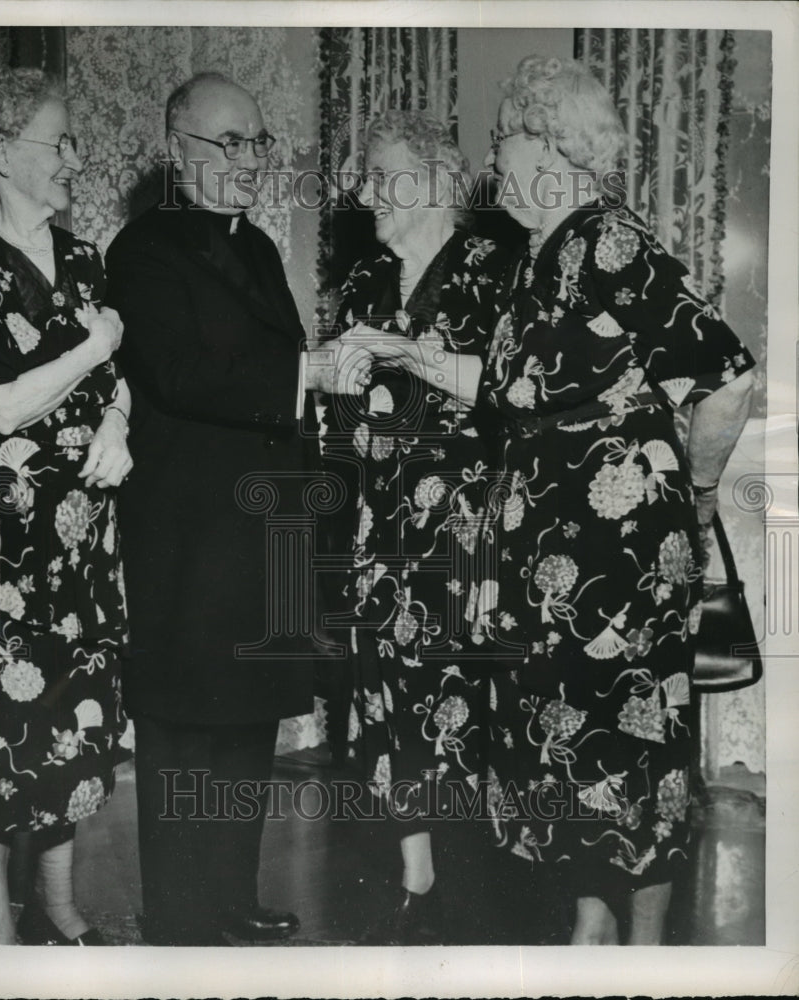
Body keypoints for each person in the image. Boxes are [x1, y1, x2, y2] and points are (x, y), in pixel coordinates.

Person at [345, 55, 756, 944]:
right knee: (573, 747)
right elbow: (503, 390)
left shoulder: (608, 240)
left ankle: (638, 951)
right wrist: (401, 352)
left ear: (552, 144)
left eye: (505, 138)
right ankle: (590, 929)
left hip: (617, 563)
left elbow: (724, 378)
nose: (494, 160)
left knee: (633, 746)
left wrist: (700, 489)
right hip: (547, 573)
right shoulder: (541, 258)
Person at [104, 71, 366, 947]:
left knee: (249, 719)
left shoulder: (252, 247)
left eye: (259, 142)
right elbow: (178, 373)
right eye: (231, 141)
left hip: (259, 531)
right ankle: (178, 916)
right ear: (177, 149)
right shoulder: (142, 251)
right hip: (188, 536)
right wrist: (309, 373)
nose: (252, 159)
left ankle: (230, 896)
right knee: (184, 727)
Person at [0, 67, 133, 945]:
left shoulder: (82, 258)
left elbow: (118, 381)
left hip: (78, 531)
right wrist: (94, 350)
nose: (76, 158)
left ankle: (61, 903)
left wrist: (118, 424)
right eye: (60, 142)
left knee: (72, 715)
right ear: (3, 154)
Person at [321, 110, 511, 944]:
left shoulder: (498, 271)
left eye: (380, 175)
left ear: (435, 179)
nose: (365, 194)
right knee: (389, 704)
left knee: (473, 706)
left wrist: (400, 354)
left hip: (473, 533)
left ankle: (483, 888)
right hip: (382, 532)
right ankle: (416, 878)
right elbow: (339, 418)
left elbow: (513, 394)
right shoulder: (364, 283)